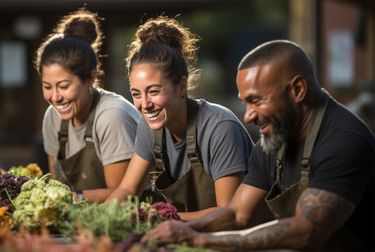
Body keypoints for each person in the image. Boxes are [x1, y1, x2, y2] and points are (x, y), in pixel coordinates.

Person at [142, 40, 375, 251]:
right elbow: (237, 215)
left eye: (256, 101)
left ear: (298, 90)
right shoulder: (274, 138)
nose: (248, 116)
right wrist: (176, 226)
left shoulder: (344, 140)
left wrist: (199, 239)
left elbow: (308, 232)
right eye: (245, 103)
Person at [106, 16, 254, 221]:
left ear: (182, 86)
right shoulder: (150, 126)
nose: (145, 104)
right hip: (189, 236)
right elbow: (127, 190)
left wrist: (159, 218)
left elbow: (228, 214)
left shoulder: (220, 128)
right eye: (137, 94)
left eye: (154, 91)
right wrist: (97, 216)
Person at [35, 9, 140, 203]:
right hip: (81, 220)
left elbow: (122, 195)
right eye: (47, 86)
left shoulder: (112, 116)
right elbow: (57, 185)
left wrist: (72, 198)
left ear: (90, 77)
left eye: (64, 86)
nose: (55, 97)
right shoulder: (53, 117)